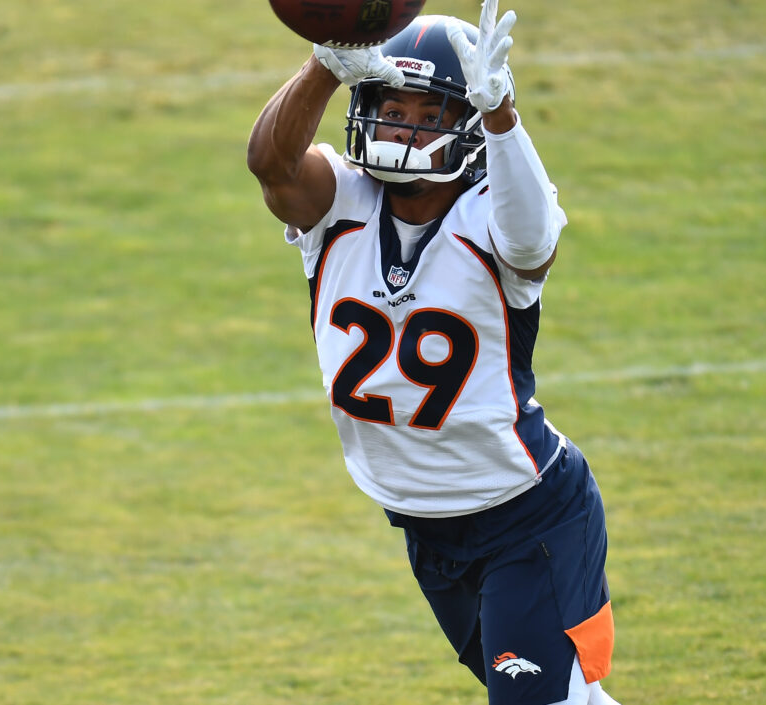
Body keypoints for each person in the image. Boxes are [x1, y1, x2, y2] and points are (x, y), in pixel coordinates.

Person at [247, 2, 621, 703]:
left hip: (526, 516)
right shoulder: (340, 202)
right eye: (392, 109)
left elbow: (534, 239)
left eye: (428, 115)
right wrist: (325, 62)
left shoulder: (494, 214)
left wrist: (504, 116)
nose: (403, 128)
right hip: (426, 528)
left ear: (468, 125)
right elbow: (271, 165)